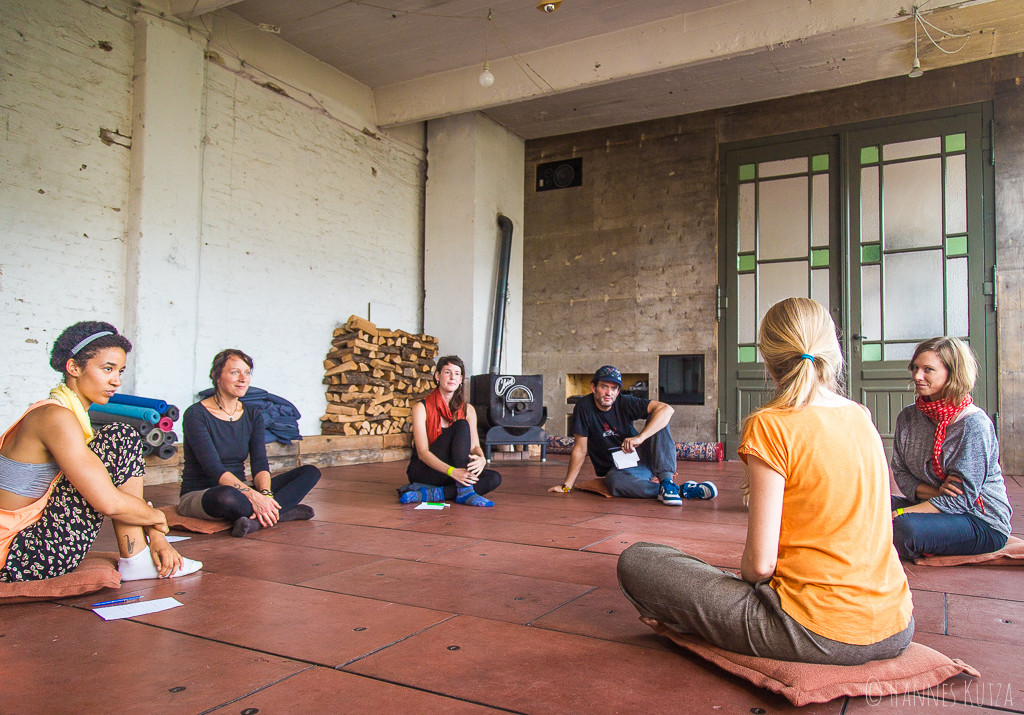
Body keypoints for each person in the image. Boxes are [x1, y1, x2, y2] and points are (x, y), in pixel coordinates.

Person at [618, 298, 913, 664]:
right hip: (897, 624)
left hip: (815, 631)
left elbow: (759, 568)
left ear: (768, 358)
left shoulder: (771, 424)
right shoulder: (861, 415)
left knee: (639, 560)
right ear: (831, 349)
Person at [0, 321, 201, 582]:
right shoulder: (55, 417)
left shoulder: (59, 412)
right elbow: (108, 502)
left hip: (23, 546)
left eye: (120, 371)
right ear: (73, 367)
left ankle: (137, 557)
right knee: (121, 437)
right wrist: (157, 518)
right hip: (17, 555)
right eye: (107, 369)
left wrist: (154, 531)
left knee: (117, 441)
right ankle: (136, 558)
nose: (116, 380)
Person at [890, 337, 1012, 560]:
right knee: (864, 505)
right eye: (915, 367)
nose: (917, 376)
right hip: (930, 505)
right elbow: (901, 472)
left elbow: (961, 500)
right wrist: (938, 493)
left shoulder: (974, 425)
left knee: (902, 527)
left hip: (979, 519)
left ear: (953, 374)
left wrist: (898, 513)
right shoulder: (908, 417)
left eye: (928, 369)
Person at [178, 349, 321, 537]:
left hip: (241, 489)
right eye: (235, 372)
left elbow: (260, 463)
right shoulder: (195, 415)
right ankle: (282, 512)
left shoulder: (253, 414)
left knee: (310, 472)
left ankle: (258, 520)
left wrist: (265, 494)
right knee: (226, 497)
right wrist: (254, 496)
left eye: (246, 372)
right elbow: (214, 469)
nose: (243, 379)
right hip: (205, 493)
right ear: (216, 376)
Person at [548, 365, 716, 505]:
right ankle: (679, 490)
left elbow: (667, 409)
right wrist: (566, 486)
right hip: (622, 470)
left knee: (659, 417)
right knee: (614, 482)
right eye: (604, 386)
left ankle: (666, 479)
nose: (609, 393)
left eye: (614, 388)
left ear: (618, 391)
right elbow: (580, 449)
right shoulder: (584, 407)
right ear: (594, 388)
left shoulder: (625, 401)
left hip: (645, 457)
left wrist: (640, 437)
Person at [399, 355, 501, 507]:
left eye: (457, 373)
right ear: (437, 376)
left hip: (454, 472)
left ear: (461, 380)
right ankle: (464, 490)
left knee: (494, 478)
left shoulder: (468, 409)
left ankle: (432, 494)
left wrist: (481, 459)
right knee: (461, 425)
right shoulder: (421, 408)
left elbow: (474, 447)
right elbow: (423, 453)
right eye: (447, 372)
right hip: (426, 470)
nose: (452, 377)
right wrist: (453, 472)